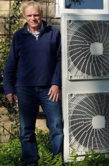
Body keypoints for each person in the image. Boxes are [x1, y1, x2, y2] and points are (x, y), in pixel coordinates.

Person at [3, 1, 63, 165]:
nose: (33, 18)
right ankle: (31, 162)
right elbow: (11, 64)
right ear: (25, 17)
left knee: (57, 127)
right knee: (26, 130)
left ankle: (57, 160)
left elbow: (60, 61)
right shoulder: (18, 36)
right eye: (29, 15)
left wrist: (56, 83)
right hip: (25, 90)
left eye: (36, 14)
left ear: (41, 15)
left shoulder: (54, 33)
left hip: (49, 89)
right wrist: (8, 88)